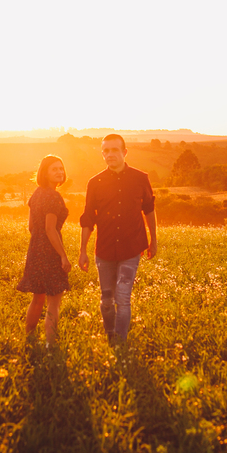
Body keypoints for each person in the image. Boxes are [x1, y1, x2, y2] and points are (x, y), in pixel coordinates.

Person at [78, 134, 158, 344]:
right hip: (104, 251)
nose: (110, 154)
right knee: (106, 300)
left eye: (115, 150)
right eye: (106, 150)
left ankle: (119, 343)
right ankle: (110, 334)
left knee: (122, 298)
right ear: (102, 153)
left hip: (132, 248)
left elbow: (149, 209)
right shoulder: (94, 183)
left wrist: (154, 239)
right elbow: (88, 218)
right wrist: (83, 250)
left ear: (124, 152)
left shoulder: (141, 178)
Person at [16, 155, 72, 345]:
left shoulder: (37, 194)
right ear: (45, 173)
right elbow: (50, 229)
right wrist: (63, 256)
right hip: (50, 252)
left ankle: (29, 338)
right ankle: (51, 345)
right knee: (54, 302)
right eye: (54, 169)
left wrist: (39, 242)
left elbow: (32, 226)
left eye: (61, 168)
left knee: (37, 298)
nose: (59, 172)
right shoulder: (54, 197)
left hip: (35, 249)